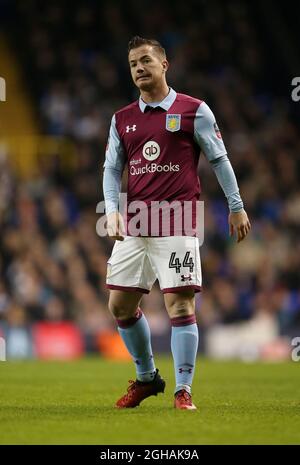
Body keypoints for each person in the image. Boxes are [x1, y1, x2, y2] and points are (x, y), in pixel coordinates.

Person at [102, 36, 251, 410]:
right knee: (119, 306)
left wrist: (236, 206)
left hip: (178, 218)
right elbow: (111, 169)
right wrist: (111, 208)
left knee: (180, 307)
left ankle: (183, 390)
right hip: (135, 220)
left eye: (146, 60)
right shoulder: (122, 119)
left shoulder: (194, 110)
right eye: (133, 62)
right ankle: (148, 378)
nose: (139, 68)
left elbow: (220, 159)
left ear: (164, 65)